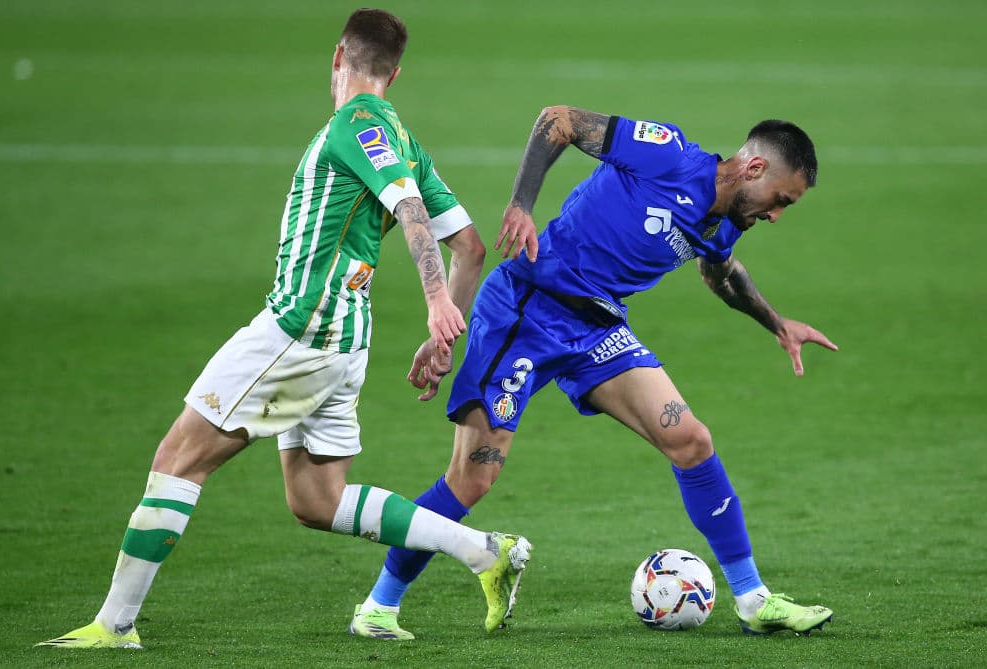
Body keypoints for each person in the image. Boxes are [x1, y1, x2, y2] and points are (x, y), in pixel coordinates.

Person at [38, 9, 532, 649]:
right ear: (396, 71)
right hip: (346, 340)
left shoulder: (360, 123)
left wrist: (437, 301)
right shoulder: (404, 137)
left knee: (177, 459)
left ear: (337, 57)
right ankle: (484, 552)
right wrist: (443, 336)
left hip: (300, 330)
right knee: (317, 500)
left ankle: (114, 626)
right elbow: (468, 244)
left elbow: (409, 207)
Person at [350, 106, 837, 640]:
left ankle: (752, 600)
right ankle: (379, 605)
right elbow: (557, 120)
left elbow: (720, 272)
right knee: (472, 479)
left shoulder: (721, 224)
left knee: (691, 440)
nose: (776, 215)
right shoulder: (667, 153)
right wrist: (521, 205)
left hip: (598, 329)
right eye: (780, 200)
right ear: (753, 169)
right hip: (527, 309)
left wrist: (776, 323)